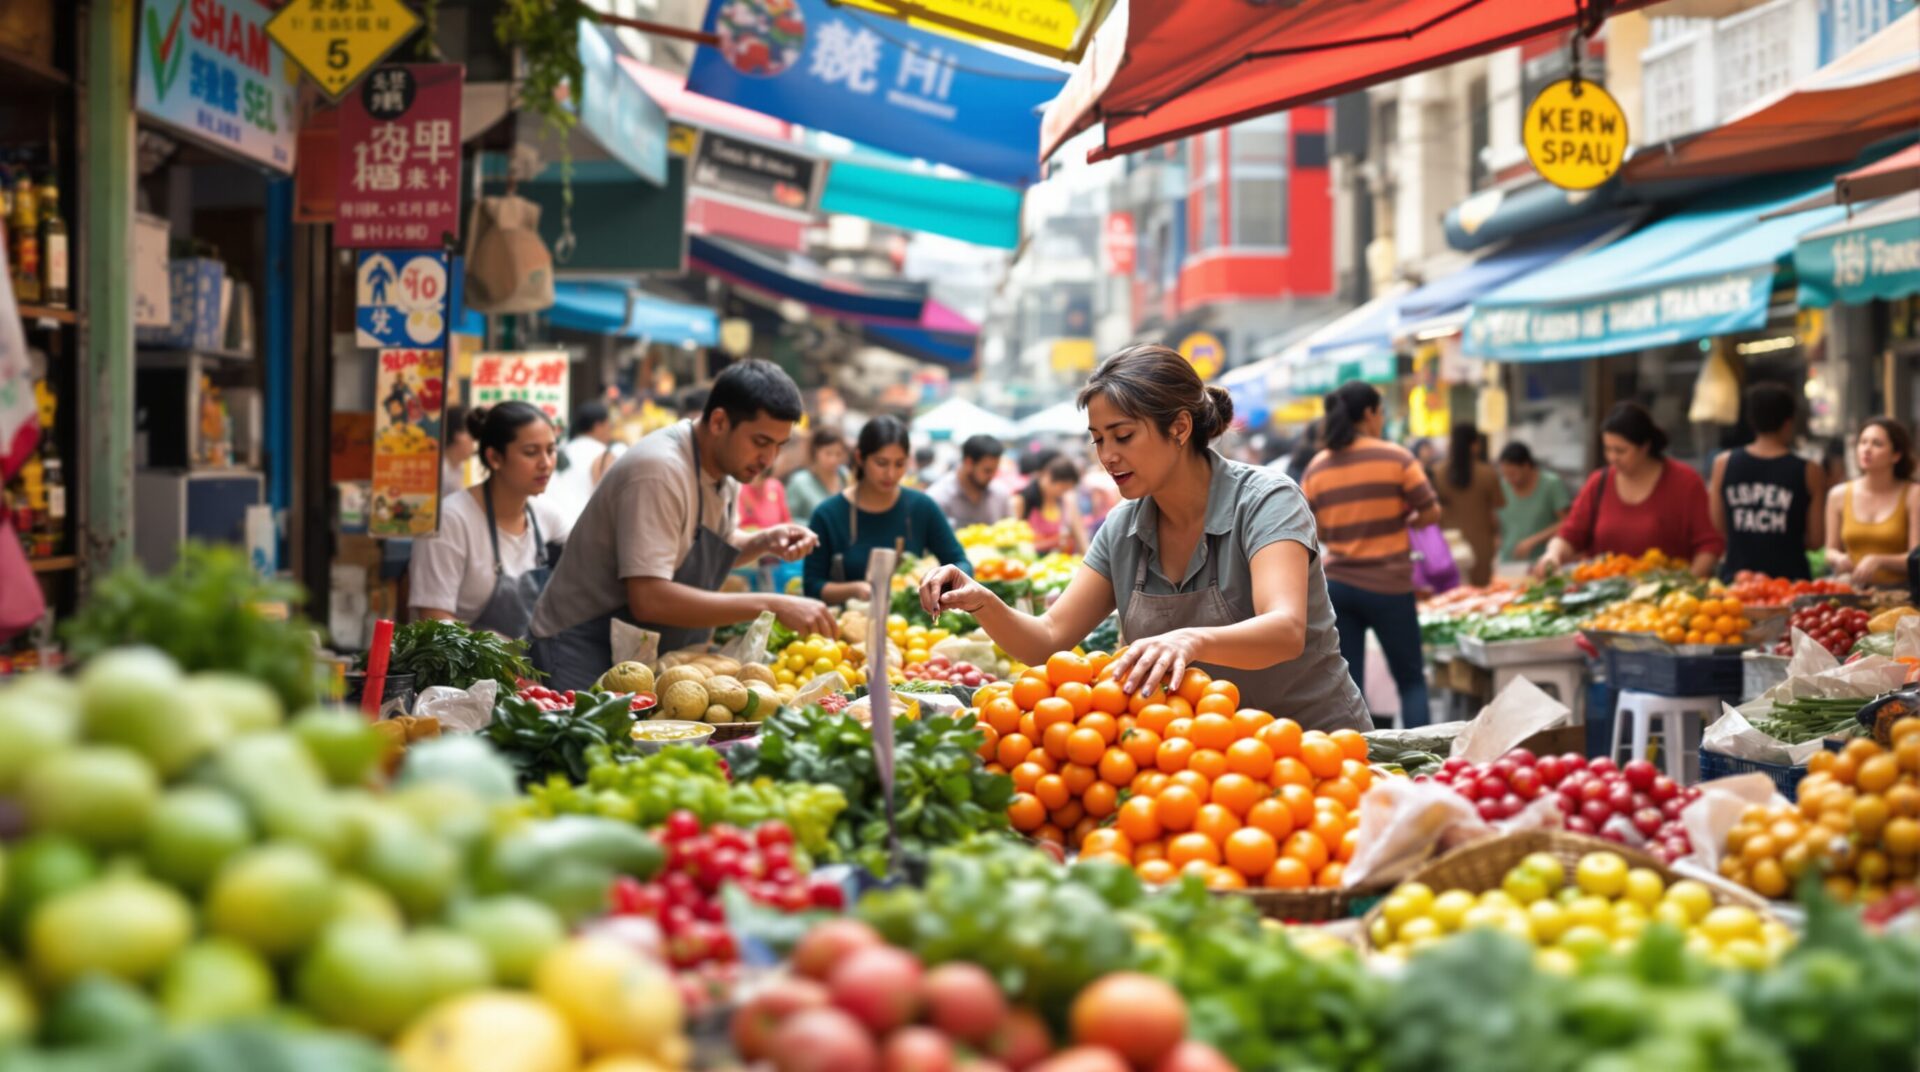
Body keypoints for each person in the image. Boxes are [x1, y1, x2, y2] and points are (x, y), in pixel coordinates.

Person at [918, 344, 1369, 731]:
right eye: (1097, 440)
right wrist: (983, 601)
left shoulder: (1266, 501)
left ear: (1179, 427)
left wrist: (1191, 640)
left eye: (1123, 436)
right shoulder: (1122, 528)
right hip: (1204, 766)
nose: (1107, 456)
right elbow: (1048, 639)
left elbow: (1286, 630)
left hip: (1317, 749)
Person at [528, 360, 836, 690]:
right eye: (761, 442)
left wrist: (763, 541)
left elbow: (702, 548)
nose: (769, 459)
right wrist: (771, 604)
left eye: (779, 445)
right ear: (719, 421)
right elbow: (649, 597)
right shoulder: (659, 471)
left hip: (633, 653)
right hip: (578, 648)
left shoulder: (727, 468)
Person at [1300, 382, 1440, 727]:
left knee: (1351, 686)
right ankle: (1422, 760)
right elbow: (1431, 511)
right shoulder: (1396, 458)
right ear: (1369, 414)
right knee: (1410, 680)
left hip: (1339, 587)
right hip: (1389, 585)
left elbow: (1308, 527)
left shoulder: (1318, 467)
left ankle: (1360, 762)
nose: (1382, 419)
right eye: (1381, 411)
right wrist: (1405, 519)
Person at [409, 403, 570, 638]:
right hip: (462, 668)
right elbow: (434, 617)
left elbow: (587, 567)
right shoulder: (450, 520)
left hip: (528, 667)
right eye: (531, 452)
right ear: (494, 457)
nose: (546, 463)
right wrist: (499, 654)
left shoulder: (547, 516)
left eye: (551, 450)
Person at [1535, 402, 1724, 579]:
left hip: (1665, 606)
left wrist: (1686, 587)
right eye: (1607, 449)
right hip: (1604, 600)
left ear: (1645, 447)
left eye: (1621, 451)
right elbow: (1570, 535)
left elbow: (1709, 545)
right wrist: (1553, 554)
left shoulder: (1685, 483)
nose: (1612, 458)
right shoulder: (1598, 482)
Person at [804, 416, 973, 604]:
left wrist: (941, 579)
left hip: (914, 629)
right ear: (860, 458)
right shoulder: (828, 514)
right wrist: (855, 589)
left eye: (899, 464)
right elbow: (812, 586)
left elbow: (961, 563)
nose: (891, 474)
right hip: (847, 627)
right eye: (881, 463)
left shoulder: (922, 507)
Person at [1711, 382, 1825, 581]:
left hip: (1738, 581)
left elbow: (1718, 525)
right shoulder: (1809, 470)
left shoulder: (1723, 463)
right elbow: (1816, 540)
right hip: (1791, 584)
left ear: (1751, 420)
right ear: (1789, 423)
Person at [1825, 417, 1920, 587]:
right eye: (1862, 442)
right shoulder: (1837, 495)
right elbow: (1829, 550)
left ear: (1896, 455)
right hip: (1852, 595)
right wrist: (1838, 558)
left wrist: (1879, 560)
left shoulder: (1914, 494)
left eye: (1877, 444)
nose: (1866, 449)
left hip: (1900, 597)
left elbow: (1916, 557)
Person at [1432, 421, 1505, 586]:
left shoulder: (1437, 473)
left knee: (1451, 596)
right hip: (1481, 544)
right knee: (1481, 597)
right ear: (1475, 445)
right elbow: (1497, 510)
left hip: (1448, 545)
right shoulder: (1488, 474)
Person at [545, 401, 622, 528]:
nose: (610, 430)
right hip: (583, 527)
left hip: (554, 525)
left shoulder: (562, 449)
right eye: (609, 425)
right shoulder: (605, 455)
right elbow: (610, 500)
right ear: (598, 426)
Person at [1496, 442, 1572, 563]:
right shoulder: (1502, 487)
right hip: (1507, 562)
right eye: (1505, 475)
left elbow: (1566, 522)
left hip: (1542, 562)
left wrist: (1533, 541)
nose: (1509, 480)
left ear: (1526, 466)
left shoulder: (1551, 484)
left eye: (1513, 474)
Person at [926, 434, 1012, 529]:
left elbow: (1012, 530)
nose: (992, 476)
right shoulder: (938, 497)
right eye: (987, 471)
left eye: (995, 470)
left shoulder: (1000, 493)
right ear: (969, 463)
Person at [1019, 456, 1089, 554]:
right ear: (1048, 477)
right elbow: (1017, 540)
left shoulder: (1065, 502)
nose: (1063, 492)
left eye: (1067, 489)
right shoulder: (1023, 501)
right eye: (1062, 487)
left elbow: (1080, 536)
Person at [785, 426, 848, 524]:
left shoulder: (845, 476)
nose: (833, 460)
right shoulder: (800, 481)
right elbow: (787, 517)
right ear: (816, 451)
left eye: (838, 454)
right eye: (828, 453)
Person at [441, 404, 477, 499]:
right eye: (470, 433)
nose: (474, 440)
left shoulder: (458, 467)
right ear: (456, 435)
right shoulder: (441, 470)